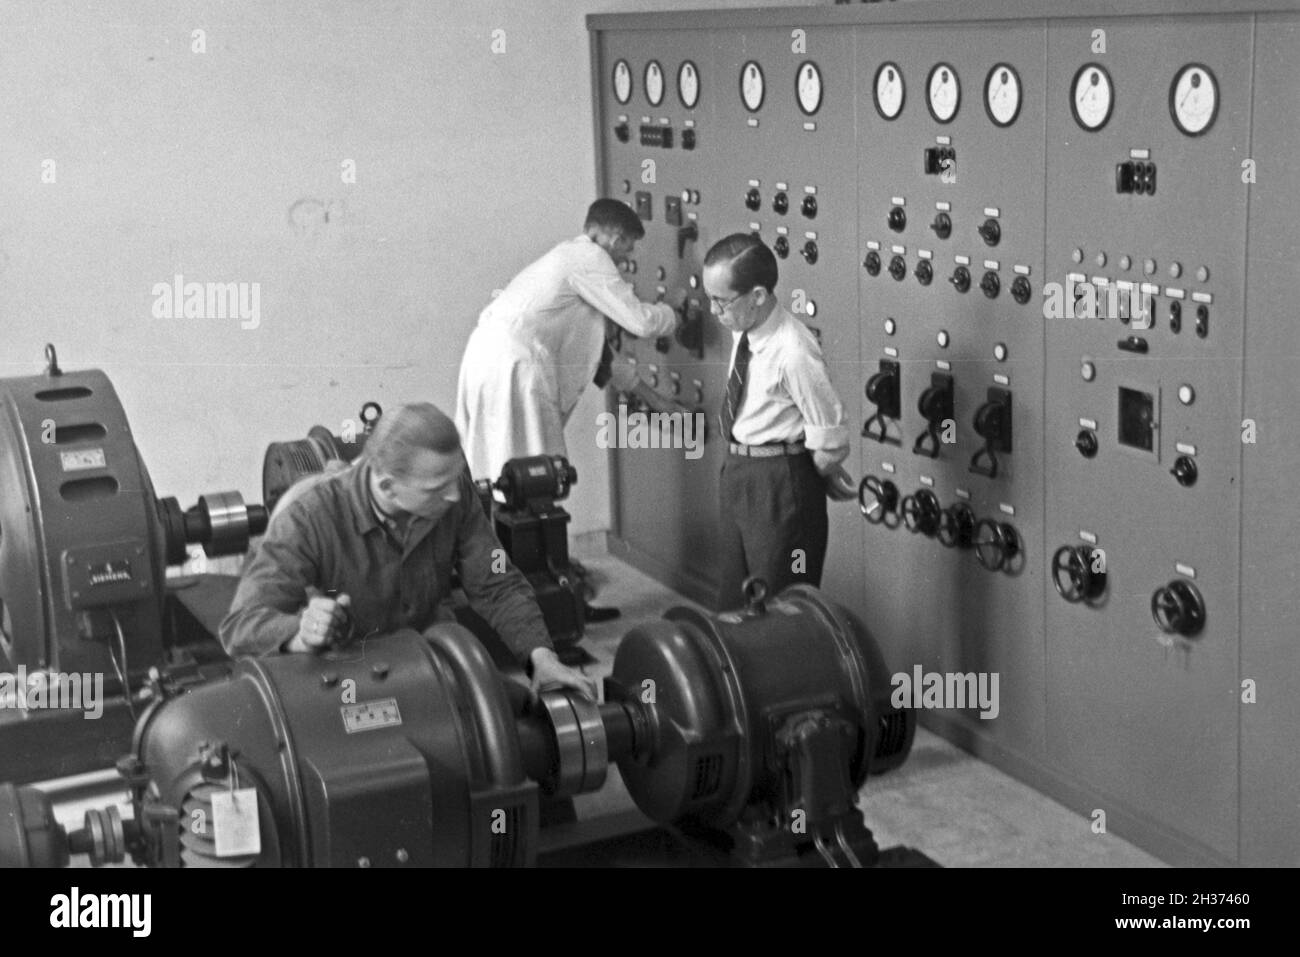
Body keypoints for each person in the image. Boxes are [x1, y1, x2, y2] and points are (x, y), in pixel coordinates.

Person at [219, 402, 596, 700]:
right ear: (386, 484)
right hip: (345, 675)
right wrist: (300, 634)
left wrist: (540, 657)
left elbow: (497, 583)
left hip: (431, 660)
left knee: (517, 727)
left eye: (456, 478)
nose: (455, 495)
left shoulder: (453, 494)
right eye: (436, 488)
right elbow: (240, 627)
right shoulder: (307, 517)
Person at [455, 198, 683, 482]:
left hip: (485, 356)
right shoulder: (591, 258)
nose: (630, 256)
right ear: (615, 238)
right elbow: (641, 323)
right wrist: (674, 314)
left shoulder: (568, 258)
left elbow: (604, 358)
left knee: (492, 465)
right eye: (629, 245)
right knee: (534, 474)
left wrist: (658, 402)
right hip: (515, 366)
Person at [701, 233, 857, 611]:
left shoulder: (794, 350)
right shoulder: (745, 328)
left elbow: (830, 433)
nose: (713, 311)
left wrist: (813, 473)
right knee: (734, 600)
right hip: (739, 471)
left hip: (779, 483)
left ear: (757, 296)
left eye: (721, 301)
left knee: (778, 602)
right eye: (710, 299)